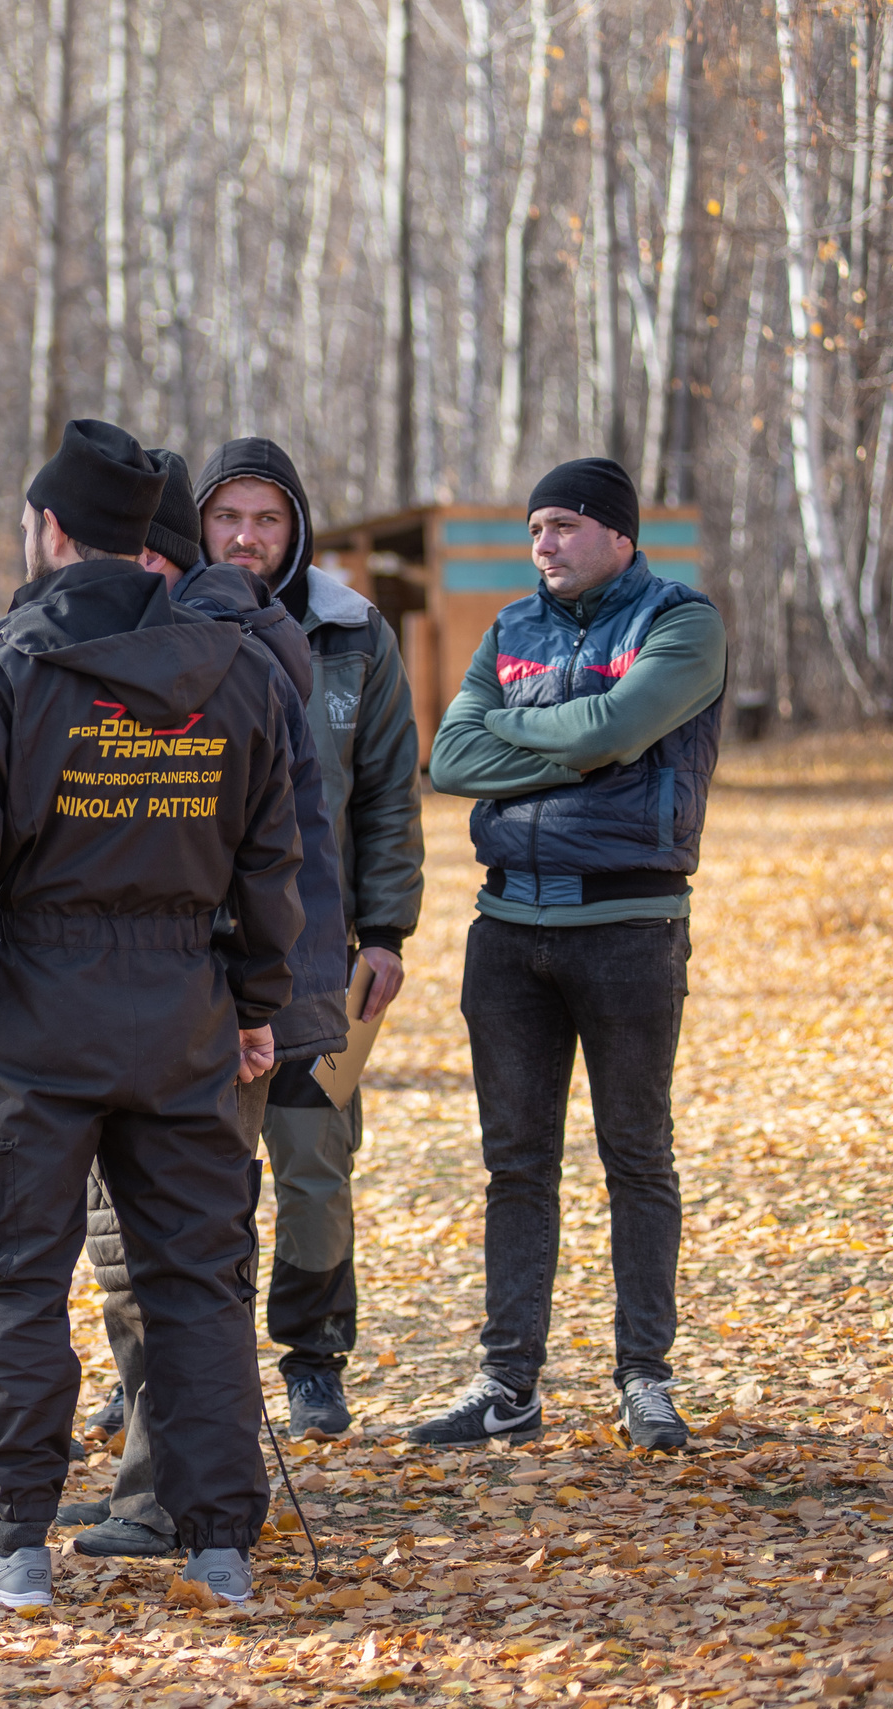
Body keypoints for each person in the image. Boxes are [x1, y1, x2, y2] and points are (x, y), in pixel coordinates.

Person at [0, 419, 305, 1611]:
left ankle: (16, 1540)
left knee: (13, 1276)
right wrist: (257, 999)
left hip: (41, 1007)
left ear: (52, 529)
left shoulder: (11, 665)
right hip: (184, 1007)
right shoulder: (236, 669)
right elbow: (272, 858)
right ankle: (219, 1543)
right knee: (197, 1278)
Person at [64, 447, 351, 1560]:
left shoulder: (217, 650)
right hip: (186, 995)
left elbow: (253, 852)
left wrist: (252, 1000)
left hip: (215, 1000)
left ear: (155, 559)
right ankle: (155, 1474)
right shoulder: (204, 637)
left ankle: (178, 1493)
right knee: (139, 1249)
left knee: (172, 1253)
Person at [412, 456, 722, 1454]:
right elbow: (450, 758)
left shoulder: (682, 624)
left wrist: (552, 736)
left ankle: (645, 1378)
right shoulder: (510, 629)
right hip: (506, 931)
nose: (542, 543)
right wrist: (577, 742)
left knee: (636, 1155)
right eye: (535, 527)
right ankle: (508, 1383)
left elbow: (619, 726)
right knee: (515, 1166)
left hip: (629, 929)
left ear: (618, 534)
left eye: (563, 524)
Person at [179, 437, 424, 1439]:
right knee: (186, 1170)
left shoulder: (353, 632)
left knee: (317, 1165)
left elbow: (387, 793)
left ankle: (314, 1358)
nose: (246, 537)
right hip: (188, 964)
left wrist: (387, 930)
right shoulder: (160, 623)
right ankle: (170, 1361)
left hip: (321, 961)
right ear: (198, 524)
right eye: (228, 517)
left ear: (297, 527)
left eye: (267, 519)